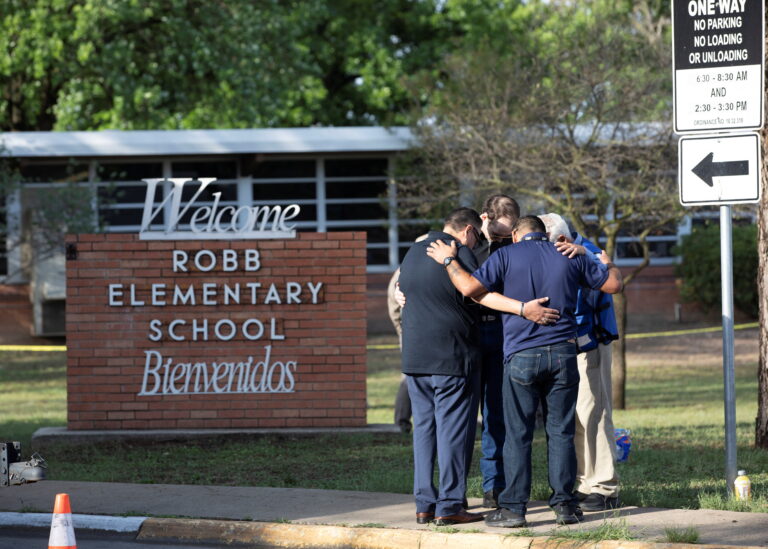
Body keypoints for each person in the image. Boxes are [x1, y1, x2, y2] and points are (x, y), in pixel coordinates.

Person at [425, 215, 623, 527]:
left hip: (520, 356)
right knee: (561, 432)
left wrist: (449, 259)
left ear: (516, 236)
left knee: (517, 434)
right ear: (545, 235)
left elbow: (468, 288)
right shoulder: (569, 254)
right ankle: (566, 506)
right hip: (563, 355)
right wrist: (606, 262)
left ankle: (514, 509)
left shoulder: (504, 255)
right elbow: (613, 285)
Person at [399, 208, 559, 526]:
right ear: (469, 231)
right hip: (452, 357)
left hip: (414, 358)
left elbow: (403, 292)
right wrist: (522, 308)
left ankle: (423, 504)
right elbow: (479, 292)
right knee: (454, 432)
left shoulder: (412, 251)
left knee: (424, 431)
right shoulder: (458, 252)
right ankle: (450, 505)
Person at [539, 213, 621, 511]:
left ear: (561, 240)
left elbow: (609, 284)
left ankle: (603, 488)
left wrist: (589, 257)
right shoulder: (565, 249)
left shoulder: (588, 253)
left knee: (593, 414)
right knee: (573, 418)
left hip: (589, 345)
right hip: (563, 346)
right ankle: (584, 483)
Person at [474, 194, 520, 507]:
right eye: (499, 233)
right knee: (462, 416)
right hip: (470, 333)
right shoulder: (467, 243)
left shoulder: (518, 244)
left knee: (496, 414)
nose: (504, 239)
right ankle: (452, 492)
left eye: (509, 233)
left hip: (504, 332)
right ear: (485, 219)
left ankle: (495, 486)